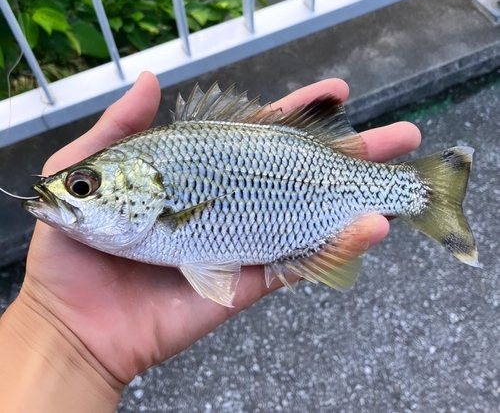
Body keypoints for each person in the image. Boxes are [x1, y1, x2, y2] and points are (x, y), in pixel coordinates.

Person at [0, 72, 421, 412]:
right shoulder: (140, 207)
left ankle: (421, 192)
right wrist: (57, 326)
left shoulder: (153, 209)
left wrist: (59, 335)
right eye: (81, 186)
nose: (71, 194)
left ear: (146, 190)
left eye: (81, 186)